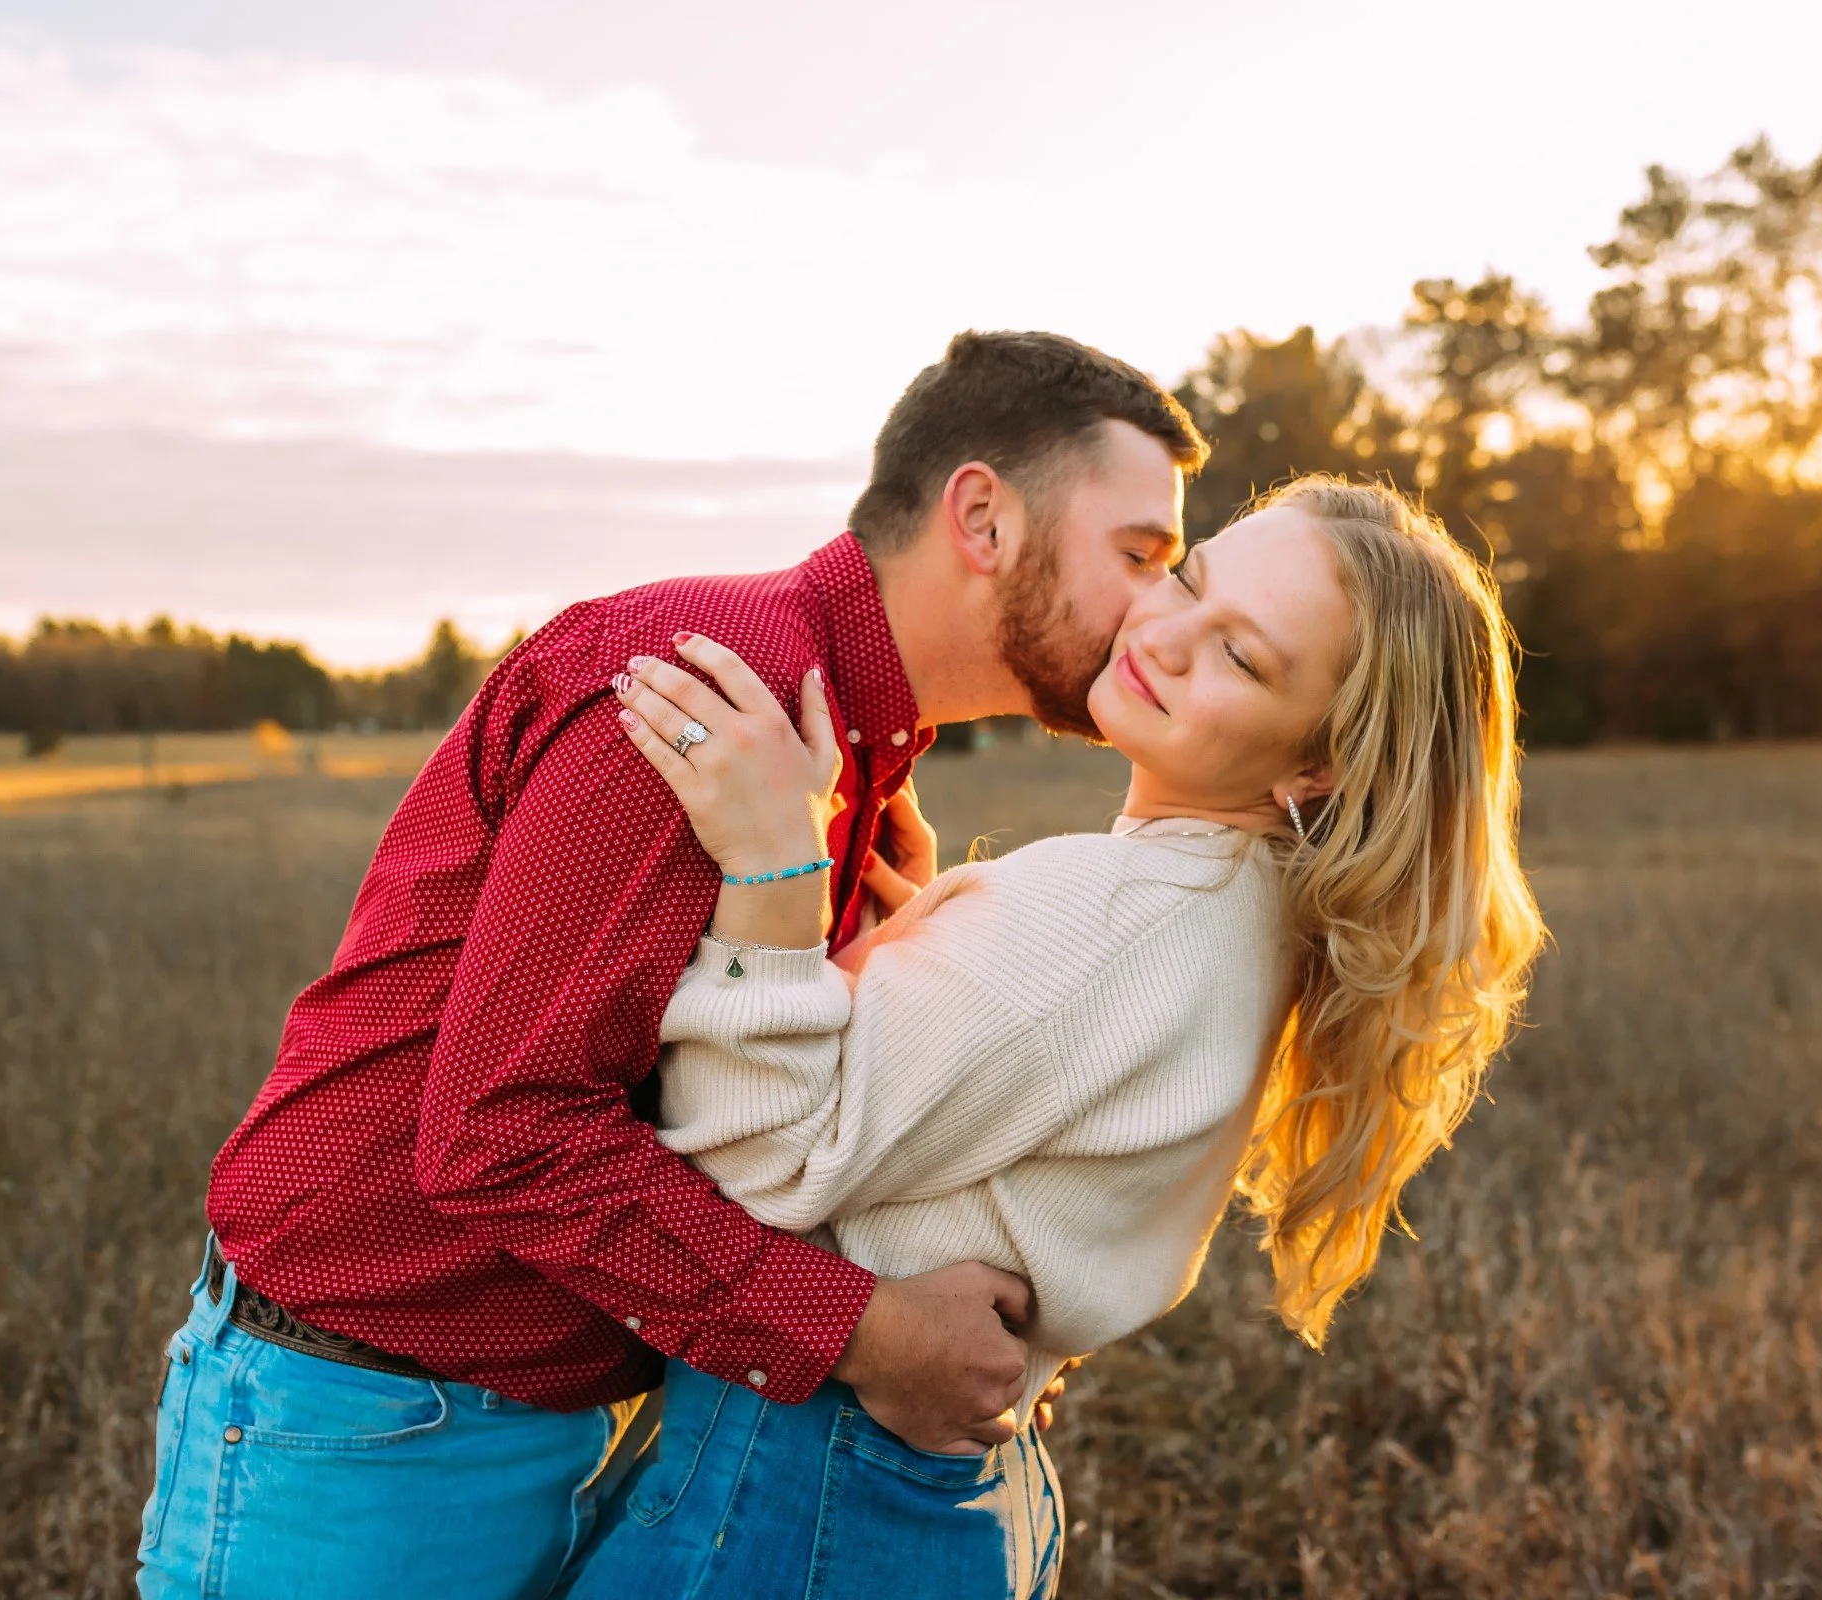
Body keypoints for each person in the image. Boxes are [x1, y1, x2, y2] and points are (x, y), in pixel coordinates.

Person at [135, 330, 1210, 1600]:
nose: (1163, 604)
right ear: (982, 514)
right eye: (1139, 555)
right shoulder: (705, 691)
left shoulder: (852, 746)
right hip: (369, 1422)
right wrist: (863, 1333)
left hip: (552, 1409)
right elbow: (499, 1132)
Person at [566, 476, 1548, 1598]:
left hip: (809, 1486)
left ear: (1314, 766)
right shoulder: (1247, 911)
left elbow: (756, 1166)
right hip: (955, 1490)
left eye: (1243, 658)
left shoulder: (1106, 917)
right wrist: (926, 953)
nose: (1168, 635)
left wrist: (773, 878)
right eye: (1186, 577)